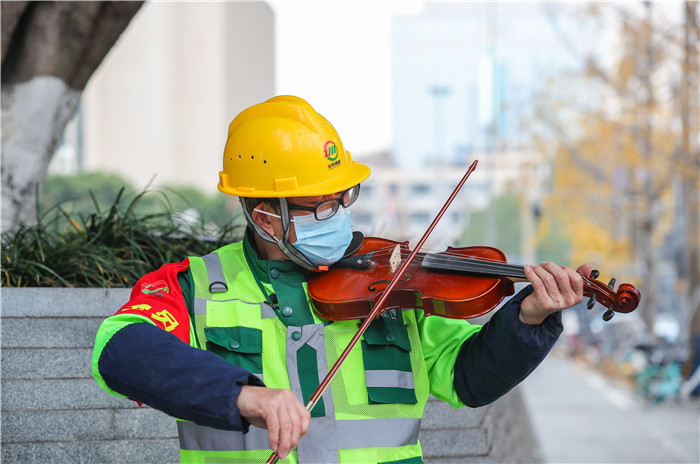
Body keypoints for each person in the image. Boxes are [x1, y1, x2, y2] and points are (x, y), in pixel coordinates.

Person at [92, 95, 590, 464]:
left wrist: (527, 319)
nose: (341, 216)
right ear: (266, 218)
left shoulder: (395, 283)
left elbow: (467, 380)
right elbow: (119, 350)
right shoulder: (196, 286)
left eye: (344, 197)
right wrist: (246, 394)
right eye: (322, 205)